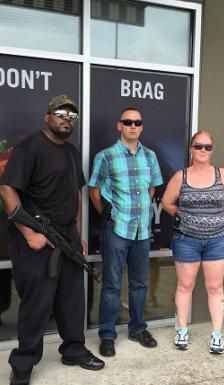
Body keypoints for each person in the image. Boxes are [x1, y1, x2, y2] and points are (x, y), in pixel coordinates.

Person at [0, 95, 104, 385]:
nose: (66, 118)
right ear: (47, 117)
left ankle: (73, 350)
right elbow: (6, 189)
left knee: (72, 298)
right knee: (36, 304)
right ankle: (23, 365)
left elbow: (76, 195)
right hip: (35, 238)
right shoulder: (30, 147)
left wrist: (78, 233)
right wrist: (28, 233)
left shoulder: (71, 151)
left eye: (72, 114)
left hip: (66, 235)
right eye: (60, 113)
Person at [89, 107, 163, 357]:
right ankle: (108, 335)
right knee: (111, 285)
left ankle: (137, 328)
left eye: (137, 122)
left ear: (141, 127)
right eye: (128, 122)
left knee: (139, 284)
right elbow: (94, 191)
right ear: (119, 126)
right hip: (117, 230)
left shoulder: (150, 156)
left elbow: (152, 189)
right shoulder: (106, 157)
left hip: (142, 231)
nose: (133, 125)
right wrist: (110, 215)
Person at [162, 131, 224, 353]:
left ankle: (217, 335)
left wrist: (219, 217)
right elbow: (168, 203)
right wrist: (184, 217)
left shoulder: (222, 174)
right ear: (191, 149)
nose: (203, 151)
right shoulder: (181, 176)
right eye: (198, 146)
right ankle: (181, 330)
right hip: (186, 240)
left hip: (217, 240)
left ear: (212, 150)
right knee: (185, 285)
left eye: (207, 147)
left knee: (215, 287)